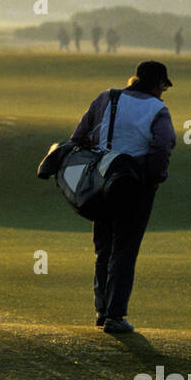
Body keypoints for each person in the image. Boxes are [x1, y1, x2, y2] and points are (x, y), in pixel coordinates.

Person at [69, 60, 176, 334]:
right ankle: (115, 316)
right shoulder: (158, 110)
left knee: (103, 248)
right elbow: (162, 147)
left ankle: (102, 310)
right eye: (164, 86)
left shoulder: (107, 97)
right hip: (135, 186)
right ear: (157, 84)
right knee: (125, 250)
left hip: (100, 183)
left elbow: (79, 136)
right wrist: (154, 179)